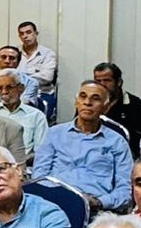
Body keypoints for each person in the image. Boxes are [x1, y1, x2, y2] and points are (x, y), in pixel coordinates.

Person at [32, 80, 134, 212]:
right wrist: (58, 197)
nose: (87, 102)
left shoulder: (117, 142)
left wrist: (100, 202)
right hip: (54, 205)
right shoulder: (54, 134)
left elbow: (125, 190)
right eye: (83, 96)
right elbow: (39, 177)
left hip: (96, 209)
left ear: (106, 107)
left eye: (95, 98)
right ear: (76, 102)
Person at [94, 60, 141, 154]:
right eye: (98, 81)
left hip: (126, 152)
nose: (102, 84)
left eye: (107, 80)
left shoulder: (133, 103)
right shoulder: (88, 103)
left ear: (119, 82)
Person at [0, 69, 49, 165]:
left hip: (23, 166)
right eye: (0, 88)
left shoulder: (36, 116)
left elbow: (42, 151)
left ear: (21, 88)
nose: (4, 92)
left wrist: (20, 162)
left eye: (9, 87)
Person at [16, 20, 58, 105]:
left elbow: (47, 77)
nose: (25, 36)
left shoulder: (47, 53)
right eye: (22, 34)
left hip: (41, 94)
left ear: (36, 34)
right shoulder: (16, 53)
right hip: (19, 94)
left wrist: (20, 79)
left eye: (28, 32)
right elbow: (8, 75)